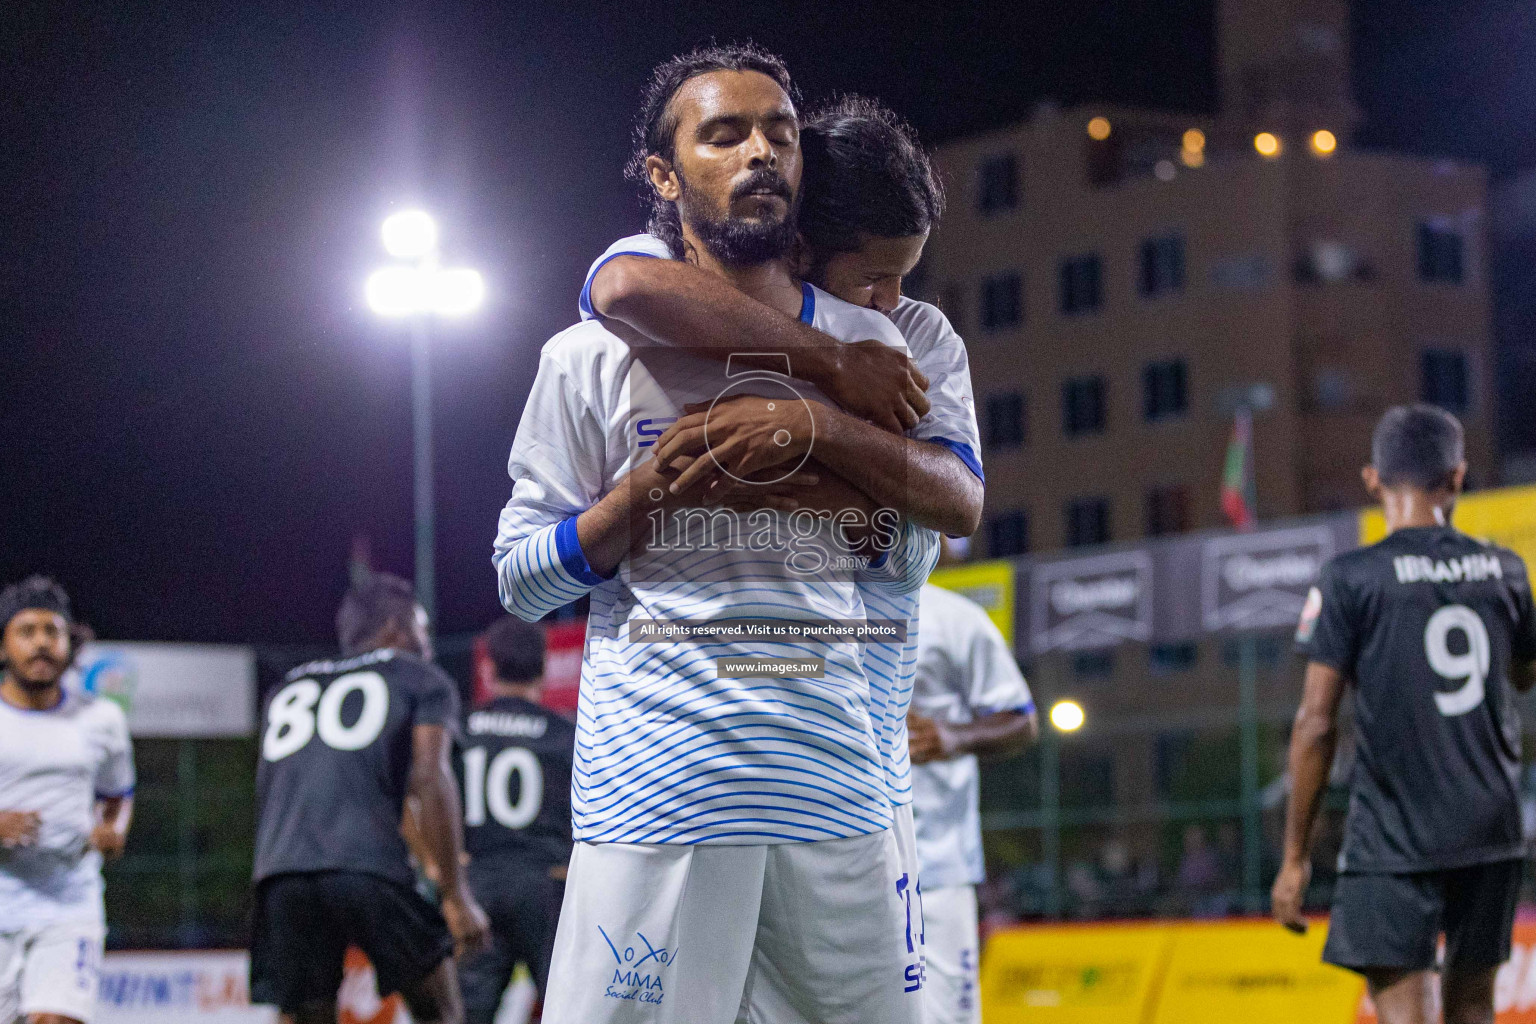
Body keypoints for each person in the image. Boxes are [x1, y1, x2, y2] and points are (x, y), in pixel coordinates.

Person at [495, 44, 935, 1024]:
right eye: (724, 132)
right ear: (664, 173)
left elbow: (913, 554)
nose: (761, 152)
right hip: (655, 794)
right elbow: (522, 579)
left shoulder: (872, 349)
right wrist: (647, 493)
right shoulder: (585, 356)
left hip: (834, 790)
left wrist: (808, 475)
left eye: (779, 131)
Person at [579, 94, 987, 1001]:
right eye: (873, 279)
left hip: (855, 763)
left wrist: (817, 432)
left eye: (905, 276)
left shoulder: (918, 336)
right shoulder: (676, 295)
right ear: (799, 243)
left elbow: (955, 503)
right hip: (684, 770)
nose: (892, 303)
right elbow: (618, 284)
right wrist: (828, 365)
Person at [1273, 405, 1536, 1024]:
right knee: (1473, 1008)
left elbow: (1316, 723)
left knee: (1404, 1016)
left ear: (1373, 479)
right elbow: (1525, 672)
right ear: (1459, 477)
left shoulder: (1352, 578)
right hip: (1490, 828)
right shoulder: (1507, 570)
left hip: (1394, 835)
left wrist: (1294, 858)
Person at [250, 572, 489, 1024]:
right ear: (396, 627)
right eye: (421, 627)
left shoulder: (285, 688)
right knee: (442, 1011)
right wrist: (456, 895)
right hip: (367, 864)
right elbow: (430, 777)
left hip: (280, 870)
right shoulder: (419, 678)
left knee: (304, 1015)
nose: (427, 641)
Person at [0, 577, 134, 1024]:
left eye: (52, 631)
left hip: (69, 905)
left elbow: (118, 796)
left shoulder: (102, 718)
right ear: (3, 647)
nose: (41, 643)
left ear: (69, 643)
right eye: (27, 631)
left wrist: (114, 830)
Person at [907, 577, 1037, 1024]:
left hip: (935, 868)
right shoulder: (821, 607)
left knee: (945, 1017)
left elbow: (1023, 720)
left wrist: (951, 736)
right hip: (838, 857)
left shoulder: (952, 616)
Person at [455, 617, 574, 1024]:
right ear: (543, 668)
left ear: (489, 668)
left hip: (476, 883)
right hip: (546, 885)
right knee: (567, 1008)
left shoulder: (460, 729)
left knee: (468, 1014)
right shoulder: (567, 732)